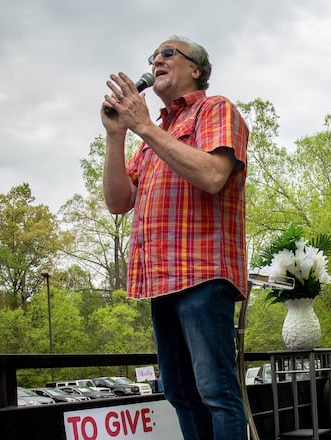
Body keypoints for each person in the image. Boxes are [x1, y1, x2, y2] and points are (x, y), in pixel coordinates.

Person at [101, 35, 248, 440]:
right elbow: (118, 202)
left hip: (203, 274)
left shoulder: (214, 108)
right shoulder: (157, 133)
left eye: (168, 54)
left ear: (196, 68)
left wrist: (143, 126)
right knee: (180, 392)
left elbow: (213, 176)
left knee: (216, 391)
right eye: (153, 56)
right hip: (160, 279)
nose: (157, 60)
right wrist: (117, 134)